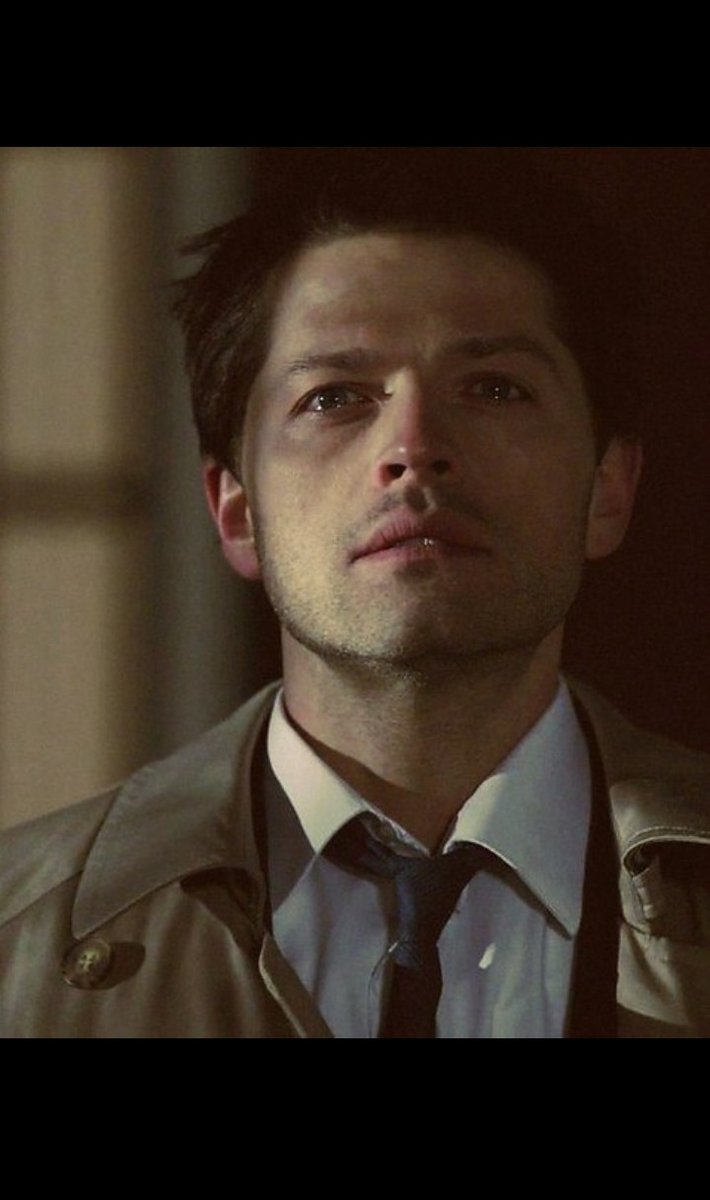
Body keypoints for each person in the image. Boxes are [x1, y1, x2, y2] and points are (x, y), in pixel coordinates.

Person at [2, 148, 709, 1038]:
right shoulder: (20, 944)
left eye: (494, 387)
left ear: (607, 488)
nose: (413, 446)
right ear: (236, 510)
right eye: (334, 397)